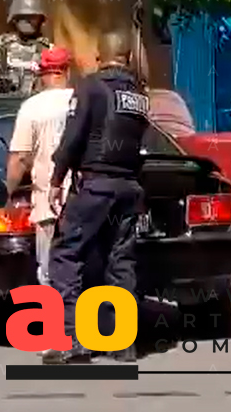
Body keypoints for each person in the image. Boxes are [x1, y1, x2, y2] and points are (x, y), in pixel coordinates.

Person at [43, 30, 150, 365]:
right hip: (129, 189)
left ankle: (71, 339)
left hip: (96, 186)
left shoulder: (91, 86)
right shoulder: (140, 95)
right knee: (120, 262)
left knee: (66, 255)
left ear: (99, 57)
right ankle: (123, 344)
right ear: (129, 59)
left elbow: (74, 137)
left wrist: (57, 178)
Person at [5, 47, 74, 289]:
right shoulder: (83, 101)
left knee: (49, 275)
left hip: (48, 205)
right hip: (84, 202)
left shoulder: (32, 108)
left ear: (44, 74)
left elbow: (20, 158)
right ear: (67, 70)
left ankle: (57, 325)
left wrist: (6, 193)